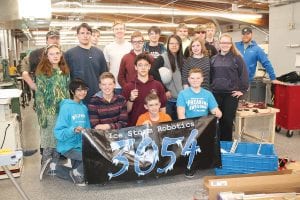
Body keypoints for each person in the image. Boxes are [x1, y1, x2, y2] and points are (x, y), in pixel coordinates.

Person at [177, 67, 222, 178]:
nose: (195, 80)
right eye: (192, 78)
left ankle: (207, 161)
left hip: (204, 127)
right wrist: (188, 128)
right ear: (188, 79)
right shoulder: (183, 94)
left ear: (202, 79)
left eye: (198, 78)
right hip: (190, 127)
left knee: (215, 130)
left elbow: (216, 112)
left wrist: (217, 113)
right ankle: (190, 164)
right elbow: (181, 115)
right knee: (192, 139)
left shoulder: (207, 94)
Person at [35, 44, 70, 181]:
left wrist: (68, 110)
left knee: (58, 140)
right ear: (46, 56)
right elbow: (39, 96)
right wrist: (42, 116)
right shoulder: (42, 73)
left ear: (61, 54)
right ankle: (44, 166)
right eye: (51, 54)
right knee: (48, 141)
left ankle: (54, 166)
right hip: (48, 112)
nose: (55, 56)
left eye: (57, 53)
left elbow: (67, 91)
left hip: (62, 111)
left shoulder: (64, 71)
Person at [211, 33, 249, 141]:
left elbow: (244, 74)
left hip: (230, 95)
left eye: (227, 43)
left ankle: (226, 145)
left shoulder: (237, 58)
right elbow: (210, 76)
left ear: (231, 44)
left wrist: (242, 90)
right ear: (219, 44)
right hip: (215, 94)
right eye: (223, 42)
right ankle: (216, 145)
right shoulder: (213, 59)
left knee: (227, 121)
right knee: (216, 120)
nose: (225, 45)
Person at [54, 78, 91, 186]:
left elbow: (87, 127)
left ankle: (57, 168)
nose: (82, 92)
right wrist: (73, 130)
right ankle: (74, 173)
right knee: (89, 159)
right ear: (72, 91)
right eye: (79, 90)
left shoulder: (84, 107)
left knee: (83, 170)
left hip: (80, 146)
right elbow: (58, 132)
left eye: (84, 89)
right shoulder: (66, 107)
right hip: (68, 147)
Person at [64, 23, 108, 104]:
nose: (85, 36)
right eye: (82, 33)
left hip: (96, 95)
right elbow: (65, 77)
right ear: (77, 35)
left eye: (88, 33)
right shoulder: (69, 54)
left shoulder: (99, 53)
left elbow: (104, 75)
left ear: (91, 35)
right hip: (77, 97)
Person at [122, 52, 167, 127]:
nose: (143, 68)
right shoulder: (128, 87)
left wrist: (163, 126)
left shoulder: (158, 85)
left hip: (155, 127)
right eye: (140, 65)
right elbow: (125, 111)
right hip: (135, 127)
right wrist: (131, 99)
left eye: (146, 65)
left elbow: (162, 107)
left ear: (149, 66)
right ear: (135, 67)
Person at [150, 34, 184, 120]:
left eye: (176, 43)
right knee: (168, 124)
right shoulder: (163, 58)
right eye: (171, 43)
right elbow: (152, 71)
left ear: (180, 45)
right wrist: (164, 90)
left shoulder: (183, 59)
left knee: (179, 125)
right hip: (168, 99)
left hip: (181, 99)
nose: (174, 45)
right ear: (168, 45)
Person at [103, 21, 132, 93]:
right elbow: (107, 67)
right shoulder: (108, 47)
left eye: (121, 28)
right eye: (116, 29)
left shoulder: (131, 46)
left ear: (125, 30)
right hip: (113, 85)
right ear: (113, 31)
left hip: (128, 83)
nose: (119, 31)